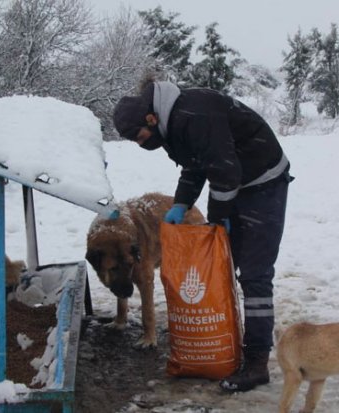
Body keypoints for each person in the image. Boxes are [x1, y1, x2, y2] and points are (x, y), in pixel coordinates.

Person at [112, 80, 293, 392]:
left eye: (137, 137)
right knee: (227, 265)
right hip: (237, 179)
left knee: (255, 273)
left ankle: (257, 361)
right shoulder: (173, 123)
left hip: (263, 181)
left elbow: (224, 171)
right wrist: (181, 202)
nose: (139, 144)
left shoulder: (194, 116)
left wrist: (218, 221)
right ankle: (228, 339)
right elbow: (196, 165)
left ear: (150, 119)